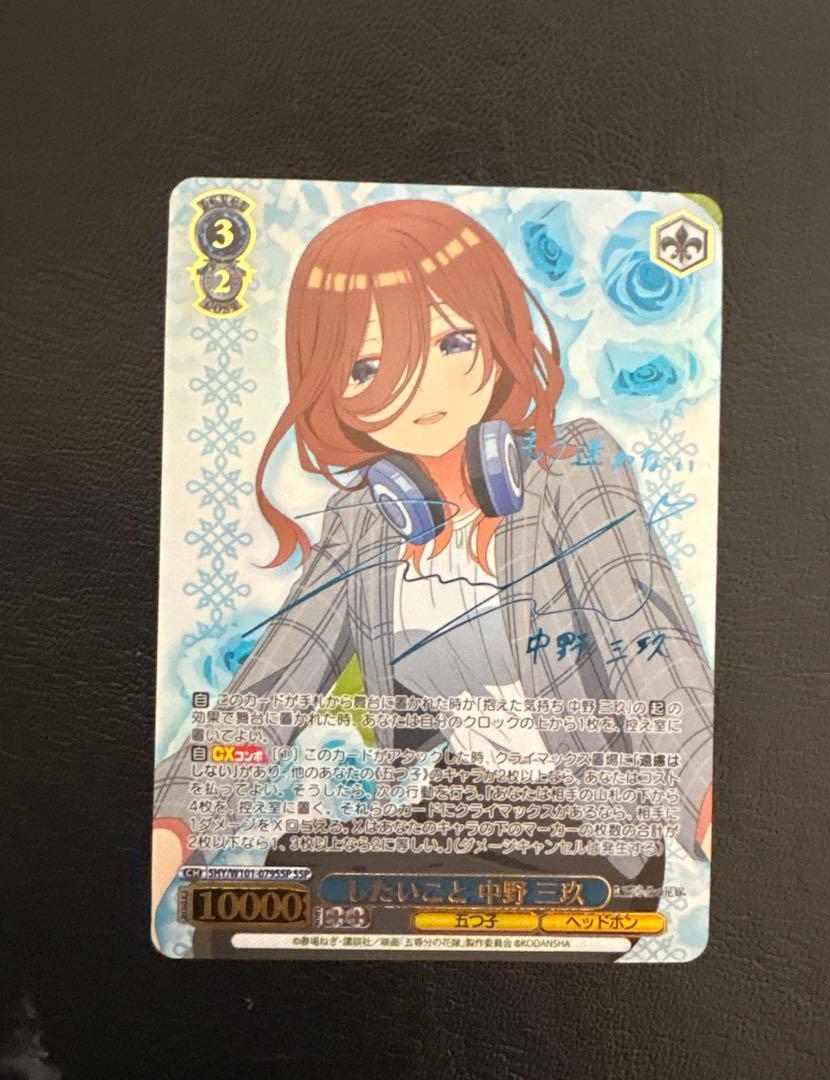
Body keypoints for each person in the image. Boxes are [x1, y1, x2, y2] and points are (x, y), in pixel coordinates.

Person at [152, 200, 713, 957]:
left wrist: (713, 802)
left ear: (499, 334)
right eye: (368, 367)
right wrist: (168, 831)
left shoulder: (573, 467)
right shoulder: (363, 520)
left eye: (453, 342)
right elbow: (268, 695)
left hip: (589, 835)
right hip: (452, 809)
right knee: (240, 914)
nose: (421, 390)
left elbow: (649, 648)